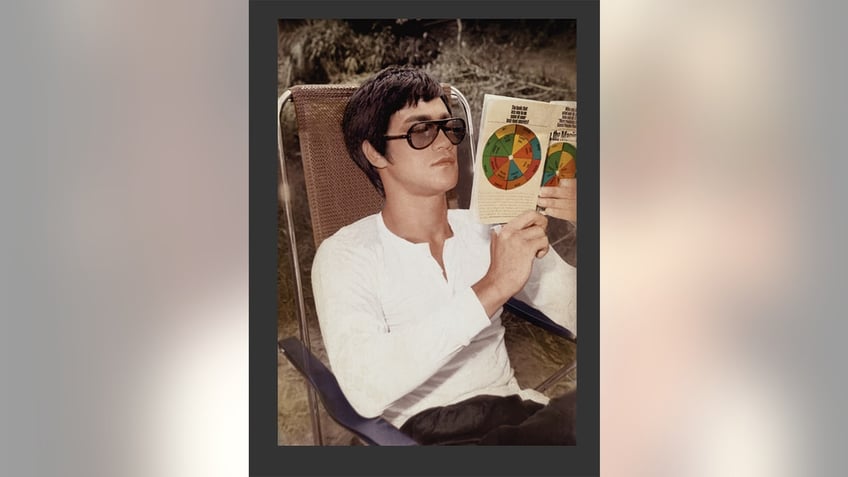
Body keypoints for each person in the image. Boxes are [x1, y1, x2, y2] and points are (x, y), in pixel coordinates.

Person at [311, 65, 578, 445]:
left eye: (448, 126)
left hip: (515, 418)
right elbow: (365, 388)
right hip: (425, 436)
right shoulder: (346, 254)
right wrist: (492, 287)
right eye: (420, 130)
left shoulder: (491, 227)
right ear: (374, 152)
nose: (443, 142)